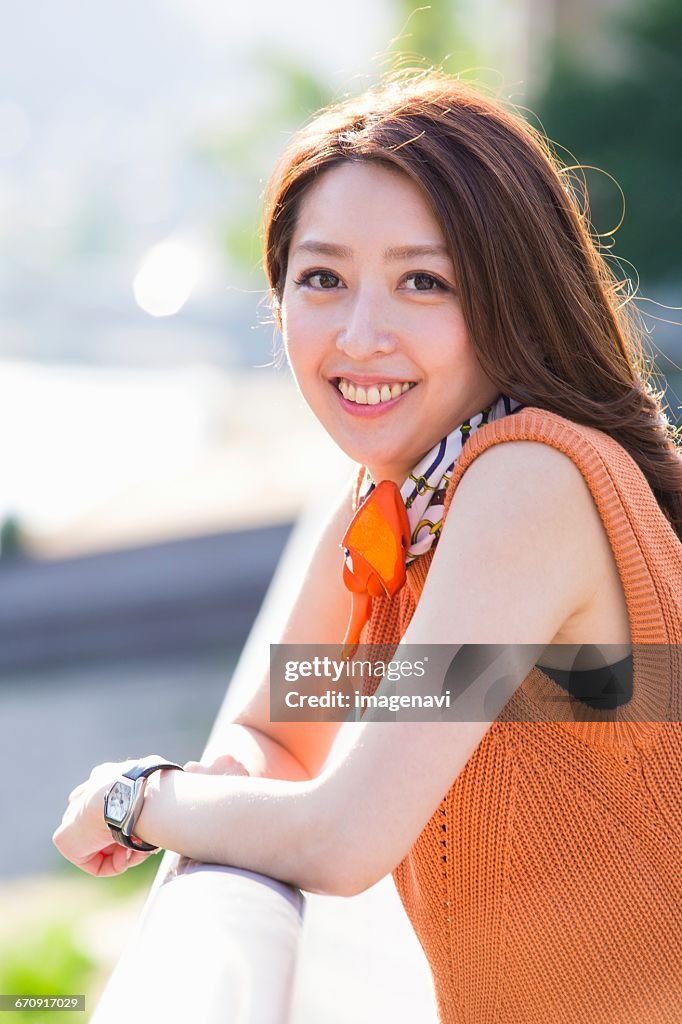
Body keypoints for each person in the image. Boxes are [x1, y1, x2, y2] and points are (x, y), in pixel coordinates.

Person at [53, 70, 682, 1023]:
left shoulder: (530, 484)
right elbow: (276, 732)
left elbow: (346, 839)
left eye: (423, 281)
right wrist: (226, 793)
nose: (360, 334)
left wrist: (134, 797)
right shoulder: (396, 503)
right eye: (323, 279)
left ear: (516, 297)